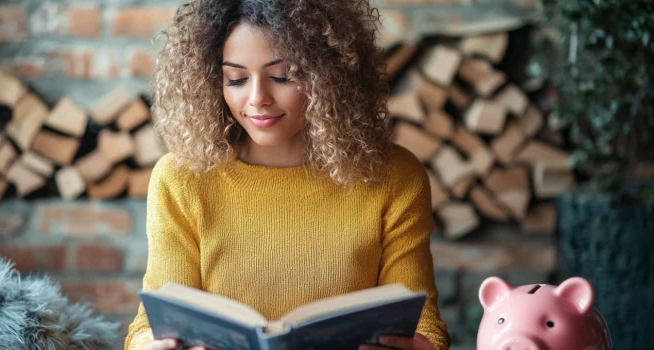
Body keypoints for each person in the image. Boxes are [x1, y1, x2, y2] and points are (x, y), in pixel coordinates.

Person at [125, 0, 451, 349]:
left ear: (330, 75)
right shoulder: (180, 179)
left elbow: (423, 323)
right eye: (235, 79)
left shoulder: (394, 177)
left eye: (282, 76)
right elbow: (150, 324)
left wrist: (420, 346)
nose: (257, 99)